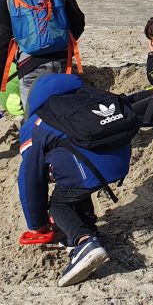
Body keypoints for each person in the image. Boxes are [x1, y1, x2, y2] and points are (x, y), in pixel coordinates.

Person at [17, 73, 132, 287]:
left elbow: (30, 178)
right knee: (73, 186)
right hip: (120, 160)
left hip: (88, 169)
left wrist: (37, 223)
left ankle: (84, 242)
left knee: (60, 203)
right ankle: (88, 227)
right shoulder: (92, 98)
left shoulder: (37, 123)